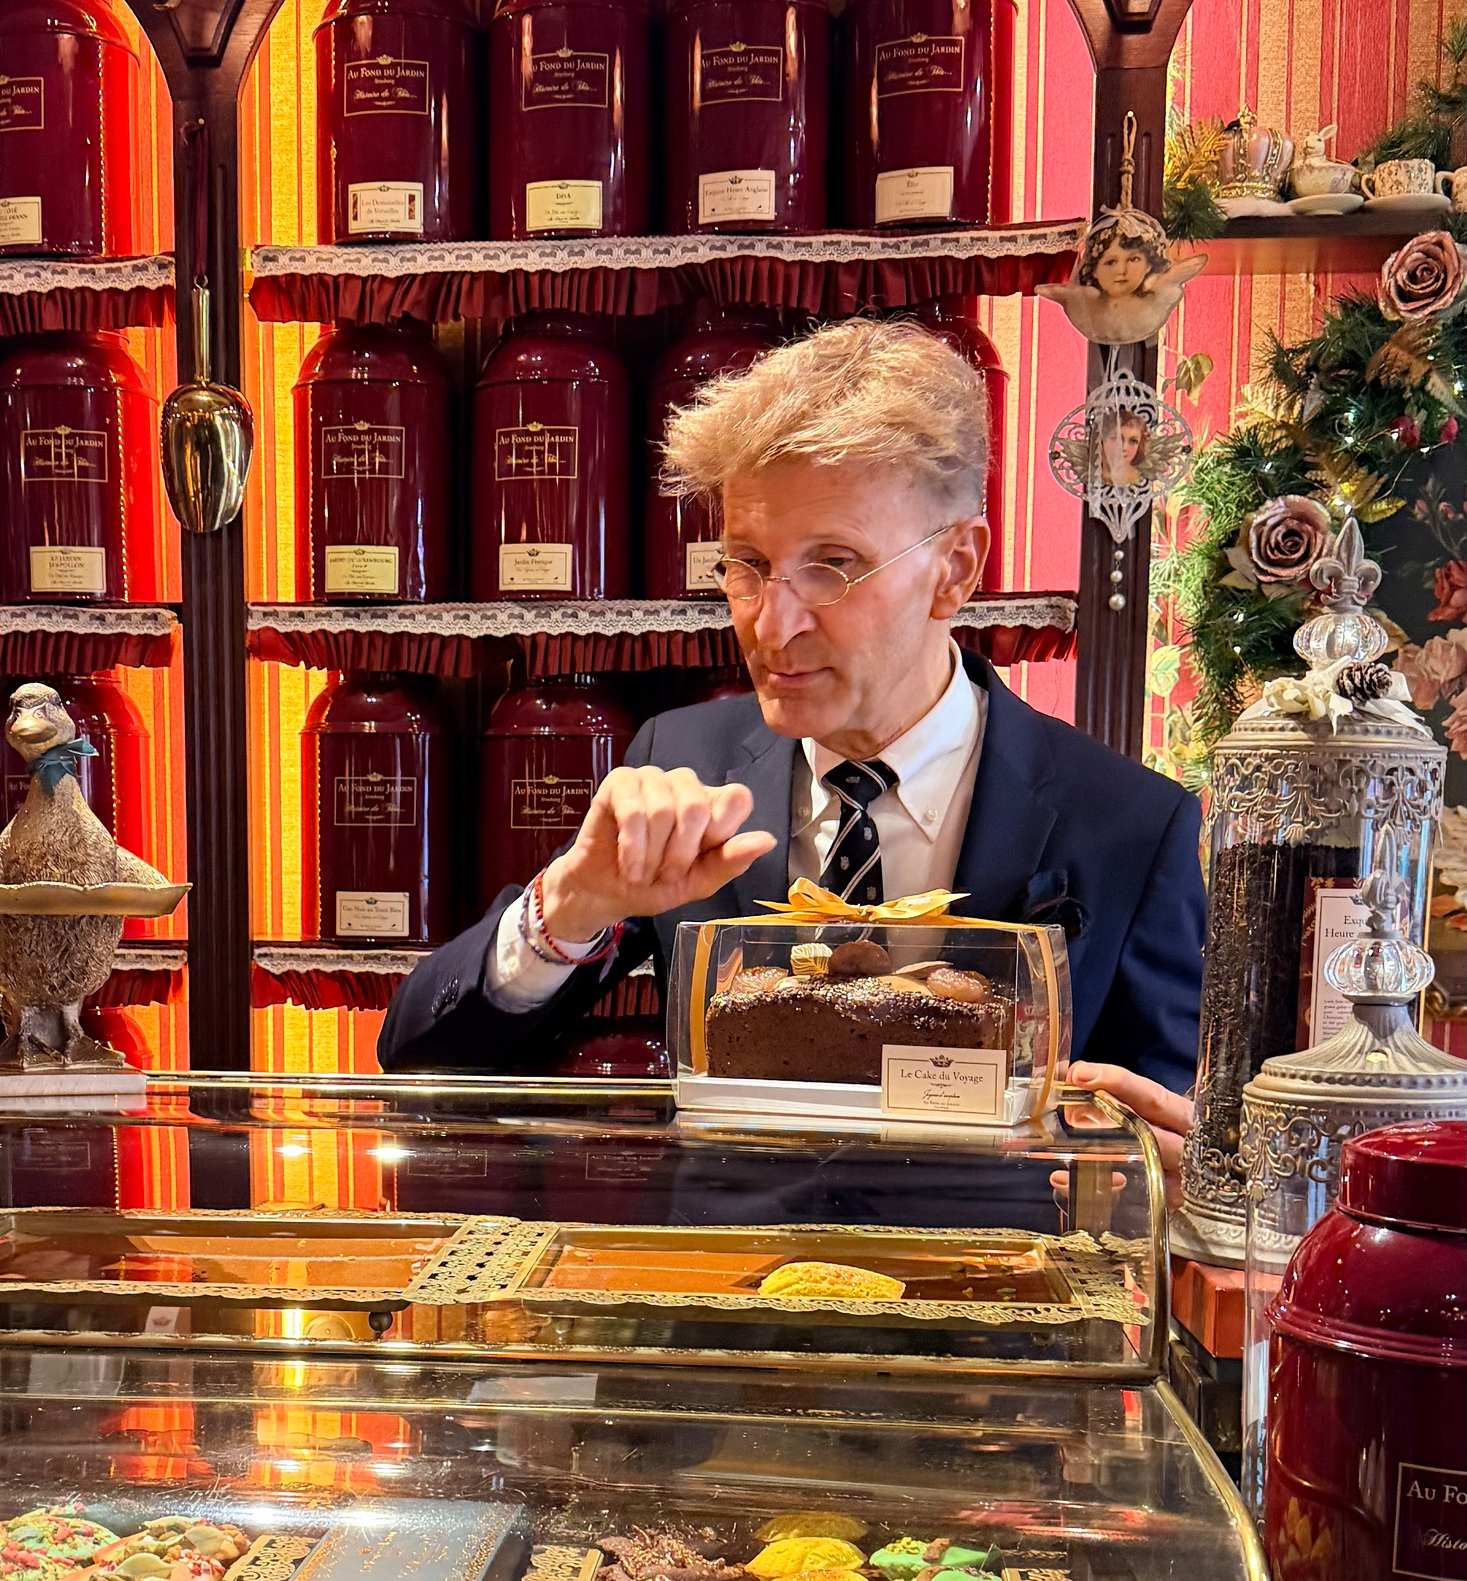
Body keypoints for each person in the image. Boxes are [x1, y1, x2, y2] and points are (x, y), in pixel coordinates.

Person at [379, 318, 1206, 1098]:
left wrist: (1177, 1170)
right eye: (747, 562)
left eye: (833, 565)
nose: (771, 626)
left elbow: (1165, 1150)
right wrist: (571, 905)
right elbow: (424, 1058)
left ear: (955, 569)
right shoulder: (681, 759)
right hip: (723, 1253)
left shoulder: (1130, 825)